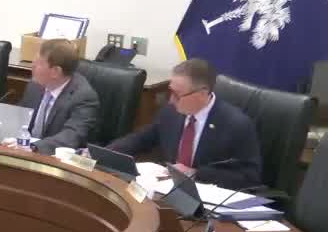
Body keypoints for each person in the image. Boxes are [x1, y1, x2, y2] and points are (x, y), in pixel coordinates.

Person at [108, 58, 262, 189]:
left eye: (177, 95)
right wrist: (106, 153)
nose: (171, 100)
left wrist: (195, 173)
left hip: (206, 196)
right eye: (170, 91)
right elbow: (141, 139)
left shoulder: (236, 124)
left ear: (202, 94)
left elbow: (250, 176)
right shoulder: (170, 112)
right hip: (167, 189)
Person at [19, 39, 101, 155]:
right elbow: (19, 118)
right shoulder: (35, 85)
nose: (33, 65)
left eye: (39, 63)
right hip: (24, 153)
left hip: (56, 159)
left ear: (55, 71)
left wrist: (33, 147)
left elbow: (70, 137)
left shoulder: (84, 97)